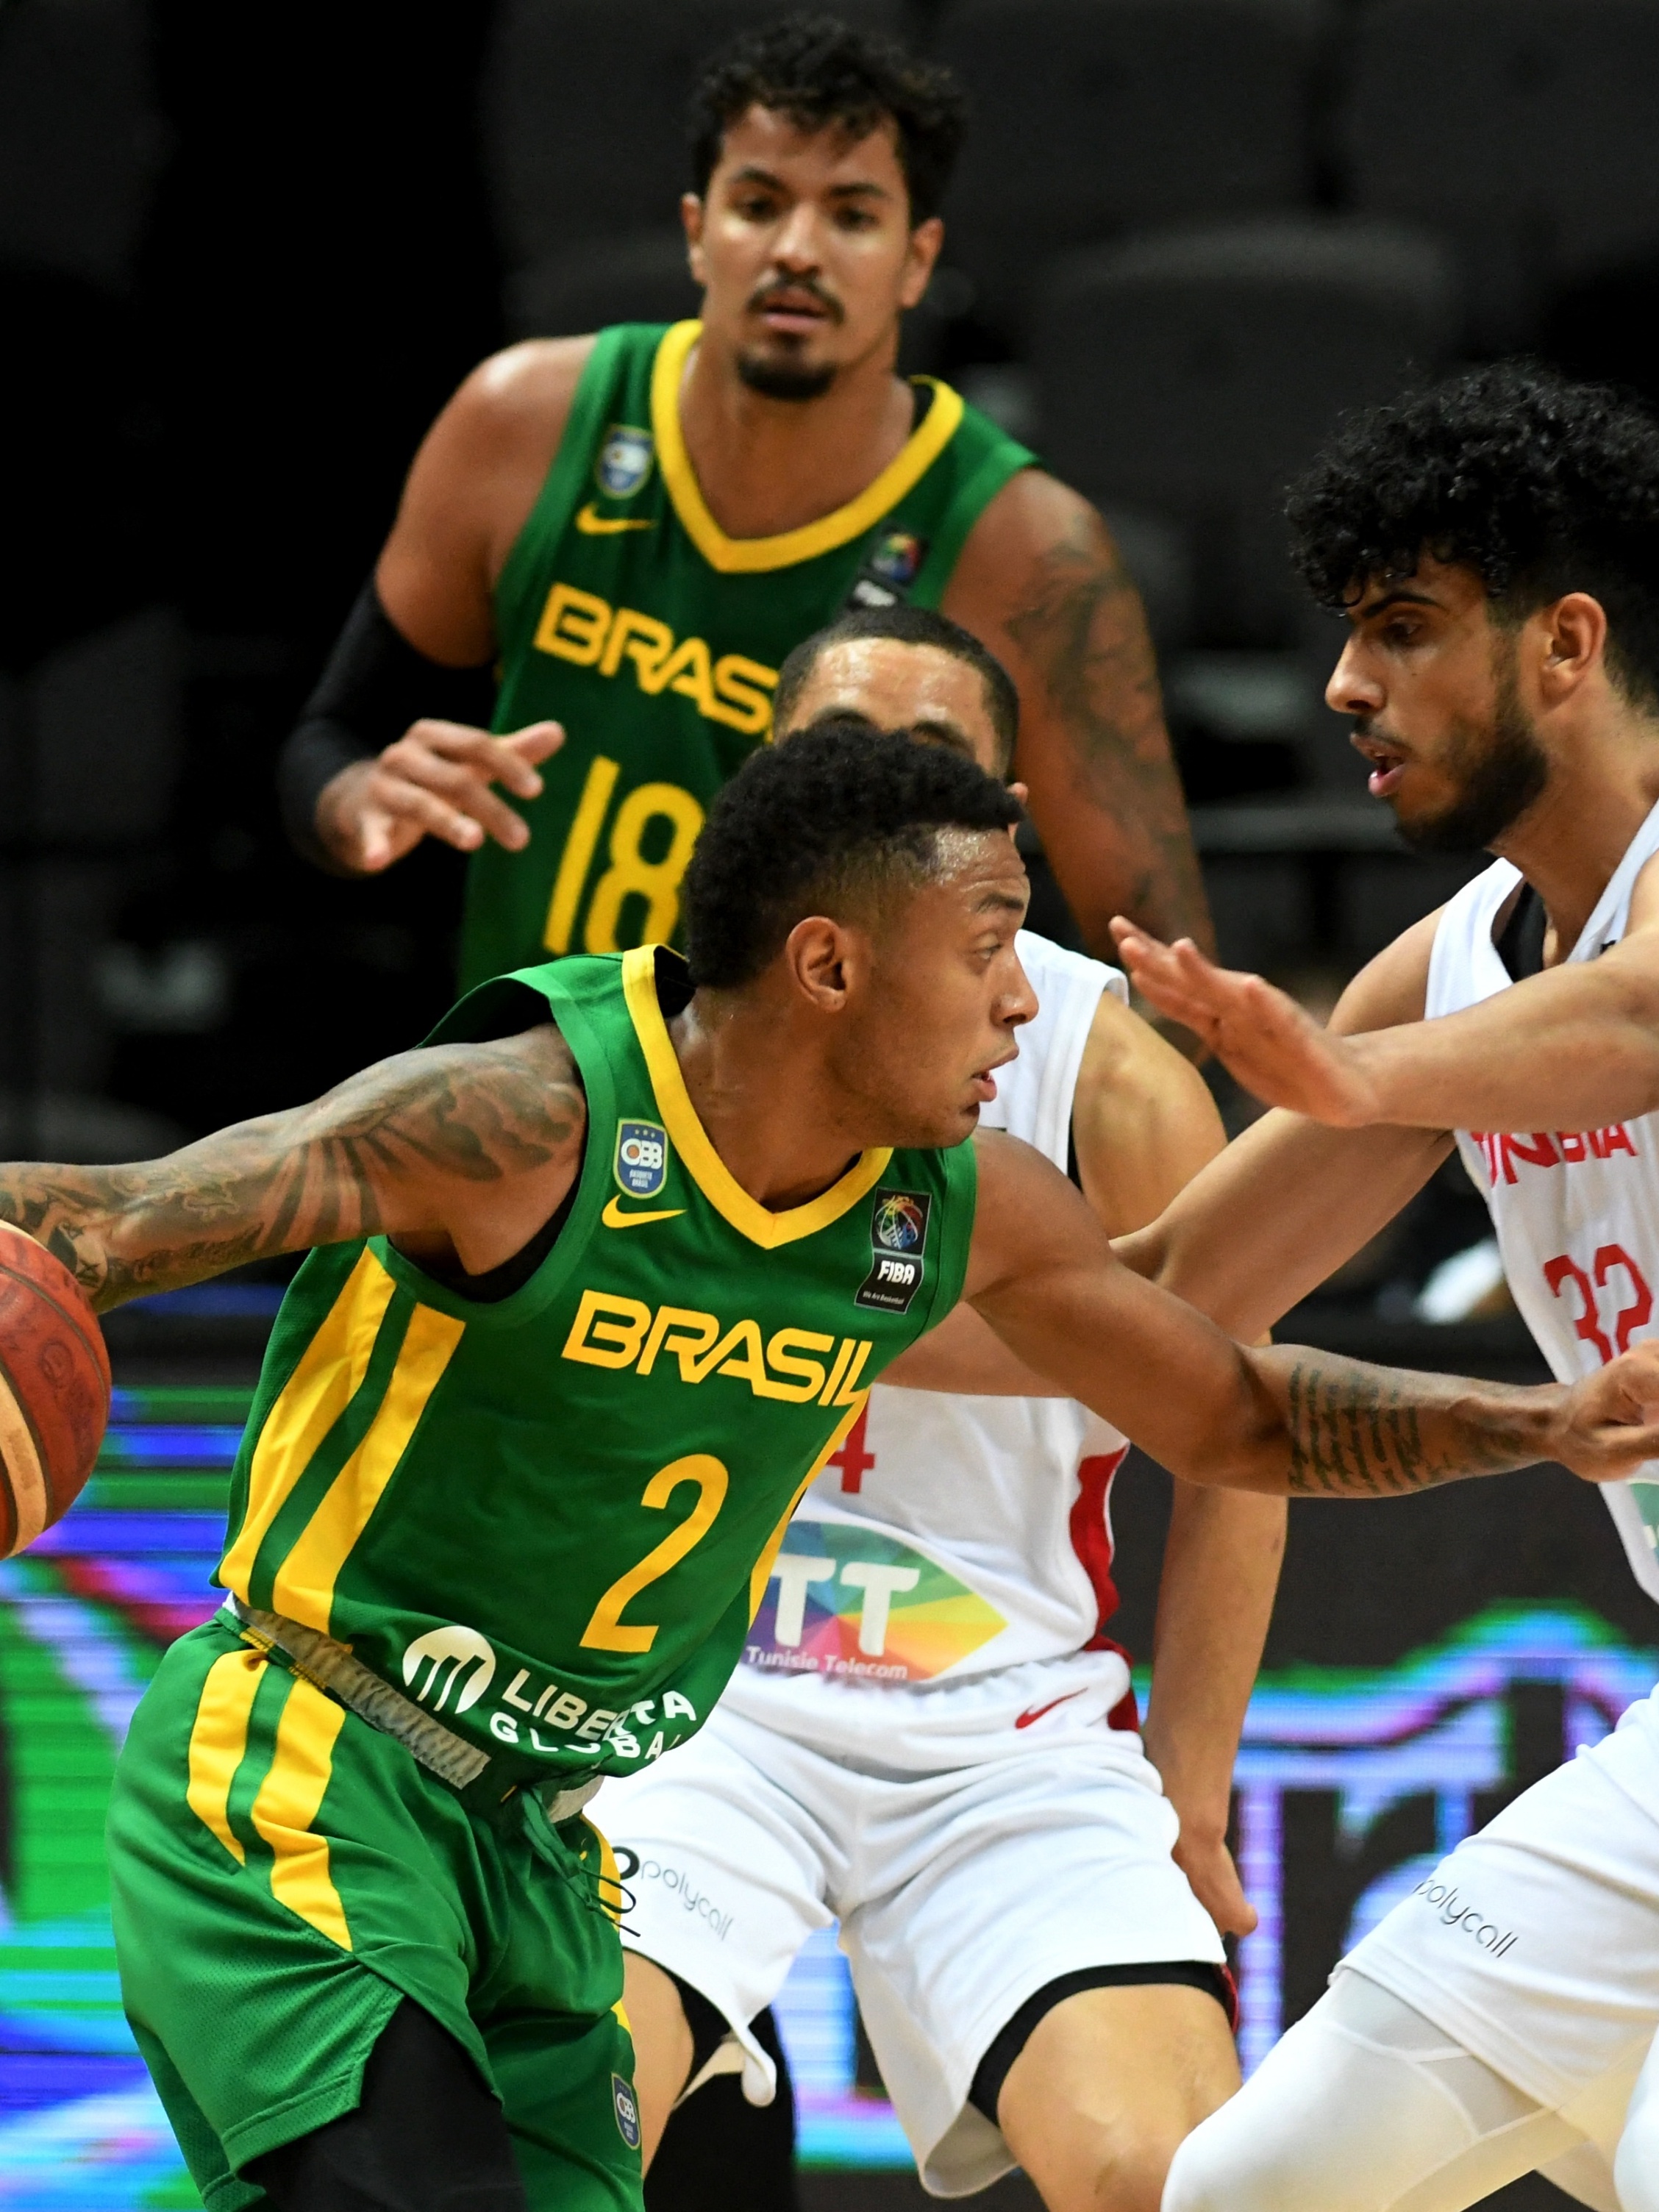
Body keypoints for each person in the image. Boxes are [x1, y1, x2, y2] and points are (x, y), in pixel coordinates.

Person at [10, 727, 1652, 2212]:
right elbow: (108, 1220)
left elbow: (1225, 1413)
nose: (1029, 998)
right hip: (312, 1760)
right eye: (993, 949)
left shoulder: (950, 1205)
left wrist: (1529, 1423)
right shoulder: (523, 1122)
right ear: (828, 964)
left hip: (539, 1835)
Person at [607, 603, 1284, 2212]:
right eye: (841, 763)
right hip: (683, 1695)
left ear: (1006, 824)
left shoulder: (1111, 1082)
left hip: (1002, 1723)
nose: (883, 812)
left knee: (1173, 2180)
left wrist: (1195, 1782)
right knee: (545, 2132)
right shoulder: (648, 1034)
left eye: (934, 777)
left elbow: (1236, 1436)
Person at [1100, 365, 1659, 2212]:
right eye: (1348, 635)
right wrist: (791, 1299)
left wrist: (1357, 1076)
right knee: (1250, 2184)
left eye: (1404, 631)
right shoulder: (1459, 967)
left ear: (1565, 643)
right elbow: (1172, 1294)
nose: (1347, 687)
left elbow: (1638, 1021)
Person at [275, 13, 1212, 994]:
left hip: (832, 1139)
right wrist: (359, 802)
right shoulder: (521, 424)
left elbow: (1166, 971)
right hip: (536, 1103)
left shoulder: (1025, 546)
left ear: (917, 262)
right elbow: (326, 746)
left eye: (852, 215)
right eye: (759, 204)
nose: (796, 250)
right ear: (696, 231)